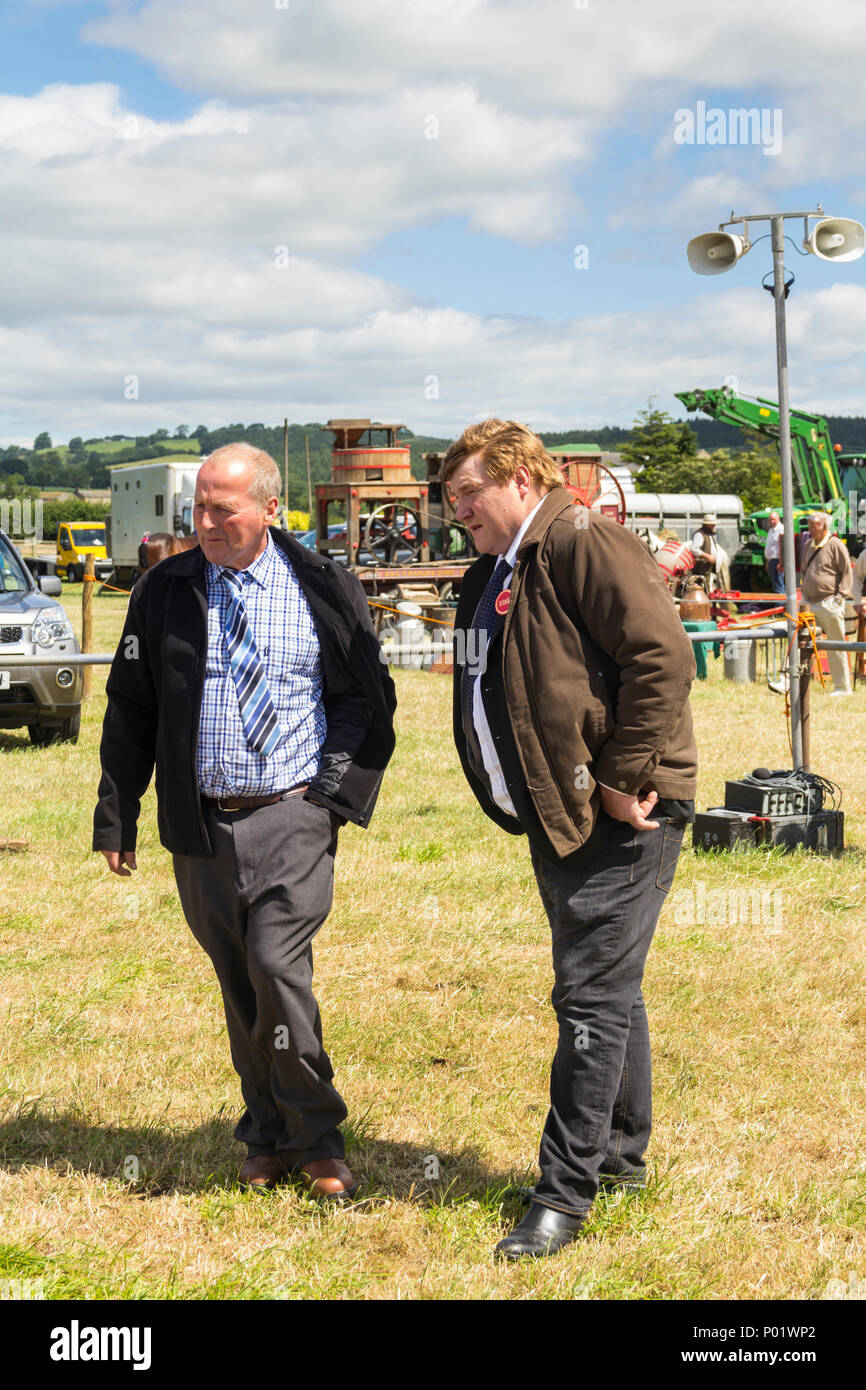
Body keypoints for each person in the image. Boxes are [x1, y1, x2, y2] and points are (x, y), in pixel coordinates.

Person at [93, 443, 396, 1198]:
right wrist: (117, 815)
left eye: (221, 509)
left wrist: (328, 793)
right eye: (197, 508)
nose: (205, 522)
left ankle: (317, 1137)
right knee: (239, 981)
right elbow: (130, 707)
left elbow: (366, 698)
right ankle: (264, 1132)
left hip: (293, 812)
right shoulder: (164, 589)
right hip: (200, 823)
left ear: (268, 508)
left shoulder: (322, 584)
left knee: (274, 965)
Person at [445, 419, 697, 1260]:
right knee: (608, 989)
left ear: (520, 477)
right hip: (561, 813)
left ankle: (565, 1194)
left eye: (469, 493)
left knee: (587, 999)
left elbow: (662, 658)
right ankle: (620, 1159)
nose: (460, 512)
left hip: (619, 811)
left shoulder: (585, 539)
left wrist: (623, 778)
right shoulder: (502, 564)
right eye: (451, 500)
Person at [798, 512, 853, 696]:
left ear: (824, 527)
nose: (811, 529)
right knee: (799, 642)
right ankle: (793, 681)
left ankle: (842, 687)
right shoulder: (807, 545)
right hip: (809, 602)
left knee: (836, 646)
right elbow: (804, 570)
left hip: (829, 602)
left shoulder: (835, 545)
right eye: (810, 525)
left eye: (815, 525)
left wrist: (839, 597)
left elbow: (846, 572)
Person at [689, 513, 730, 591]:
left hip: (708, 567)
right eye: (712, 524)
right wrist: (708, 556)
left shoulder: (709, 534)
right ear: (707, 525)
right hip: (701, 567)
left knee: (707, 586)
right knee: (703, 586)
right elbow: (694, 549)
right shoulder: (699, 534)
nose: (714, 525)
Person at [764, 511, 785, 594]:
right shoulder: (771, 530)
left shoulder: (781, 529)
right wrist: (767, 562)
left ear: (778, 519)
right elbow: (770, 547)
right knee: (775, 583)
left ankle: (781, 603)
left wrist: (781, 562)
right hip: (772, 560)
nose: (772, 522)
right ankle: (780, 602)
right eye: (770, 520)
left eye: (774, 520)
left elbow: (782, 547)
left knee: (778, 583)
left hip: (777, 561)